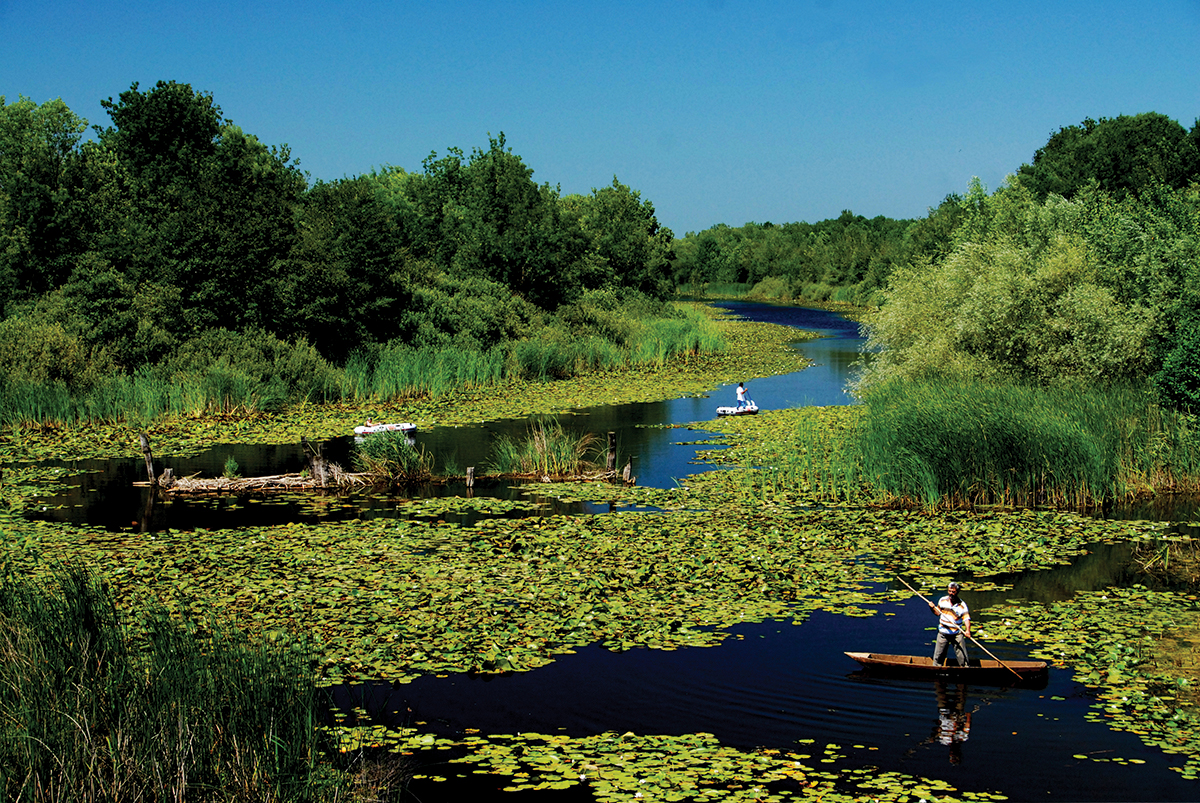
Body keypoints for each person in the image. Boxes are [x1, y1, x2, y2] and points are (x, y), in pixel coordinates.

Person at [930, 581, 970, 666]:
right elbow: (937, 613)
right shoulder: (942, 600)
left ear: (957, 592)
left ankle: (965, 670)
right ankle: (936, 670)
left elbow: (966, 619)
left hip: (956, 633)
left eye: (953, 592)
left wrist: (968, 631)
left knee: (963, 657)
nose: (951, 593)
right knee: (938, 657)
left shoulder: (962, 605)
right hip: (943, 633)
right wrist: (932, 608)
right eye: (949, 591)